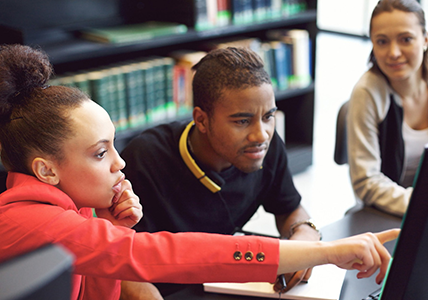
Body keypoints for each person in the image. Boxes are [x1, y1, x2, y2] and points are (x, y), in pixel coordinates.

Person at [0, 44, 399, 300]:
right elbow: (167, 254)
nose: (121, 162)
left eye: (113, 145)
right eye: (100, 154)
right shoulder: (30, 220)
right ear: (46, 170)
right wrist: (326, 252)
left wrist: (113, 227)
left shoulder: (64, 210)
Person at [120, 46, 322, 298]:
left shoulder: (265, 147)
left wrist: (305, 234)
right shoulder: (145, 159)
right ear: (202, 120)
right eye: (242, 121)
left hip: (221, 283)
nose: (261, 135)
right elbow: (119, 263)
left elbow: (289, 207)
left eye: (268, 117)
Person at [347, 0, 428, 216]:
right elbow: (366, 182)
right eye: (382, 41)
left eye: (406, 39)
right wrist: (424, 203)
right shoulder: (367, 93)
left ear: (426, 39)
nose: (394, 52)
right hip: (388, 214)